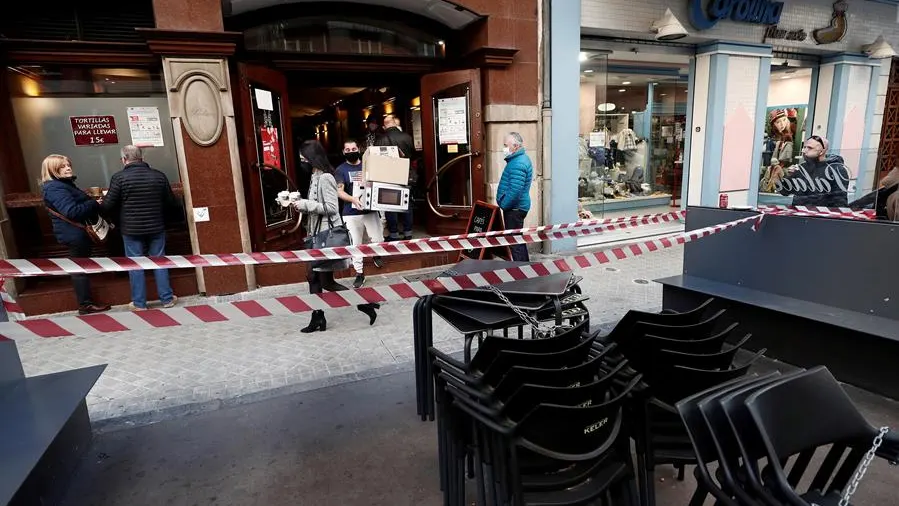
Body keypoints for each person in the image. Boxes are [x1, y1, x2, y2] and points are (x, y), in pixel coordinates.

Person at [292, 140, 379, 333]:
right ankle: (321, 316)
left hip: (325, 236)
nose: (301, 161)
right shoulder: (315, 176)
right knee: (318, 279)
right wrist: (299, 203)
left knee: (319, 279)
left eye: (303, 158)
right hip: (316, 235)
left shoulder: (325, 178)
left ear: (312, 157)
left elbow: (332, 209)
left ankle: (357, 306)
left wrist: (305, 204)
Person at [102, 145, 180, 310]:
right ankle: (166, 299)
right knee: (160, 261)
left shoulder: (119, 178)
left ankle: (139, 303)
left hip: (131, 230)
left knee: (135, 264)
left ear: (124, 159)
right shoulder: (158, 176)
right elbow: (171, 202)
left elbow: (108, 205)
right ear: (141, 158)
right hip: (156, 227)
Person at [40, 154, 111, 315]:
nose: (68, 168)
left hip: (76, 233)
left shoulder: (64, 184)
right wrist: (93, 203)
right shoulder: (55, 187)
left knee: (81, 266)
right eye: (63, 166)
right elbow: (71, 211)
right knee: (80, 268)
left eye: (68, 165)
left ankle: (86, 303)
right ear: (53, 170)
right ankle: (85, 304)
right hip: (74, 233)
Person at [335, 140, 384, 289]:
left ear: (359, 149)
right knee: (355, 244)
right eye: (348, 149)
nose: (351, 151)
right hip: (351, 213)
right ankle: (359, 273)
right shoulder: (340, 170)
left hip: (370, 210)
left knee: (377, 238)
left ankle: (376, 254)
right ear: (344, 152)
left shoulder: (368, 165)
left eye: (354, 148)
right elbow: (339, 191)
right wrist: (353, 199)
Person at [770, 135, 850, 207]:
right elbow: (784, 191)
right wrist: (788, 176)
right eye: (804, 147)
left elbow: (840, 201)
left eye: (810, 148)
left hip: (820, 217)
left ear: (821, 151)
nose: (804, 151)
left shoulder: (837, 170)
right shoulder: (802, 168)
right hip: (798, 215)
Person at [376, 114, 416, 240]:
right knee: (407, 203)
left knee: (390, 204)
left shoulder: (380, 140)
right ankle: (408, 232)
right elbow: (413, 156)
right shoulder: (407, 137)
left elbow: (376, 160)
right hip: (405, 174)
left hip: (388, 175)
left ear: (384, 126)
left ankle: (393, 233)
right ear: (394, 123)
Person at [496, 132, 534, 262]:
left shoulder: (518, 163)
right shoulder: (518, 160)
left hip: (514, 209)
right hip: (517, 207)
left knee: (515, 243)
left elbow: (515, 190)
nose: (504, 148)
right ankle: (525, 270)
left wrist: (504, 204)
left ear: (516, 146)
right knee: (517, 240)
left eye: (506, 145)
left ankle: (521, 273)